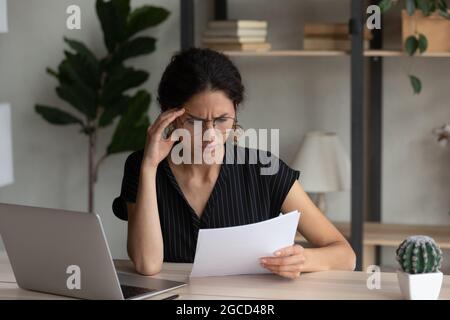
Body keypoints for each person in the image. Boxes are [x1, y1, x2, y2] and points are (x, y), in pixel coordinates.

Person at [112, 47, 356, 279]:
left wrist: (302, 260)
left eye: (221, 120)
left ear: (235, 110)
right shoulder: (142, 167)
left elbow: (345, 256)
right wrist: (149, 166)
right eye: (194, 122)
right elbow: (147, 264)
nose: (210, 134)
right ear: (170, 117)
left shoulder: (264, 169)